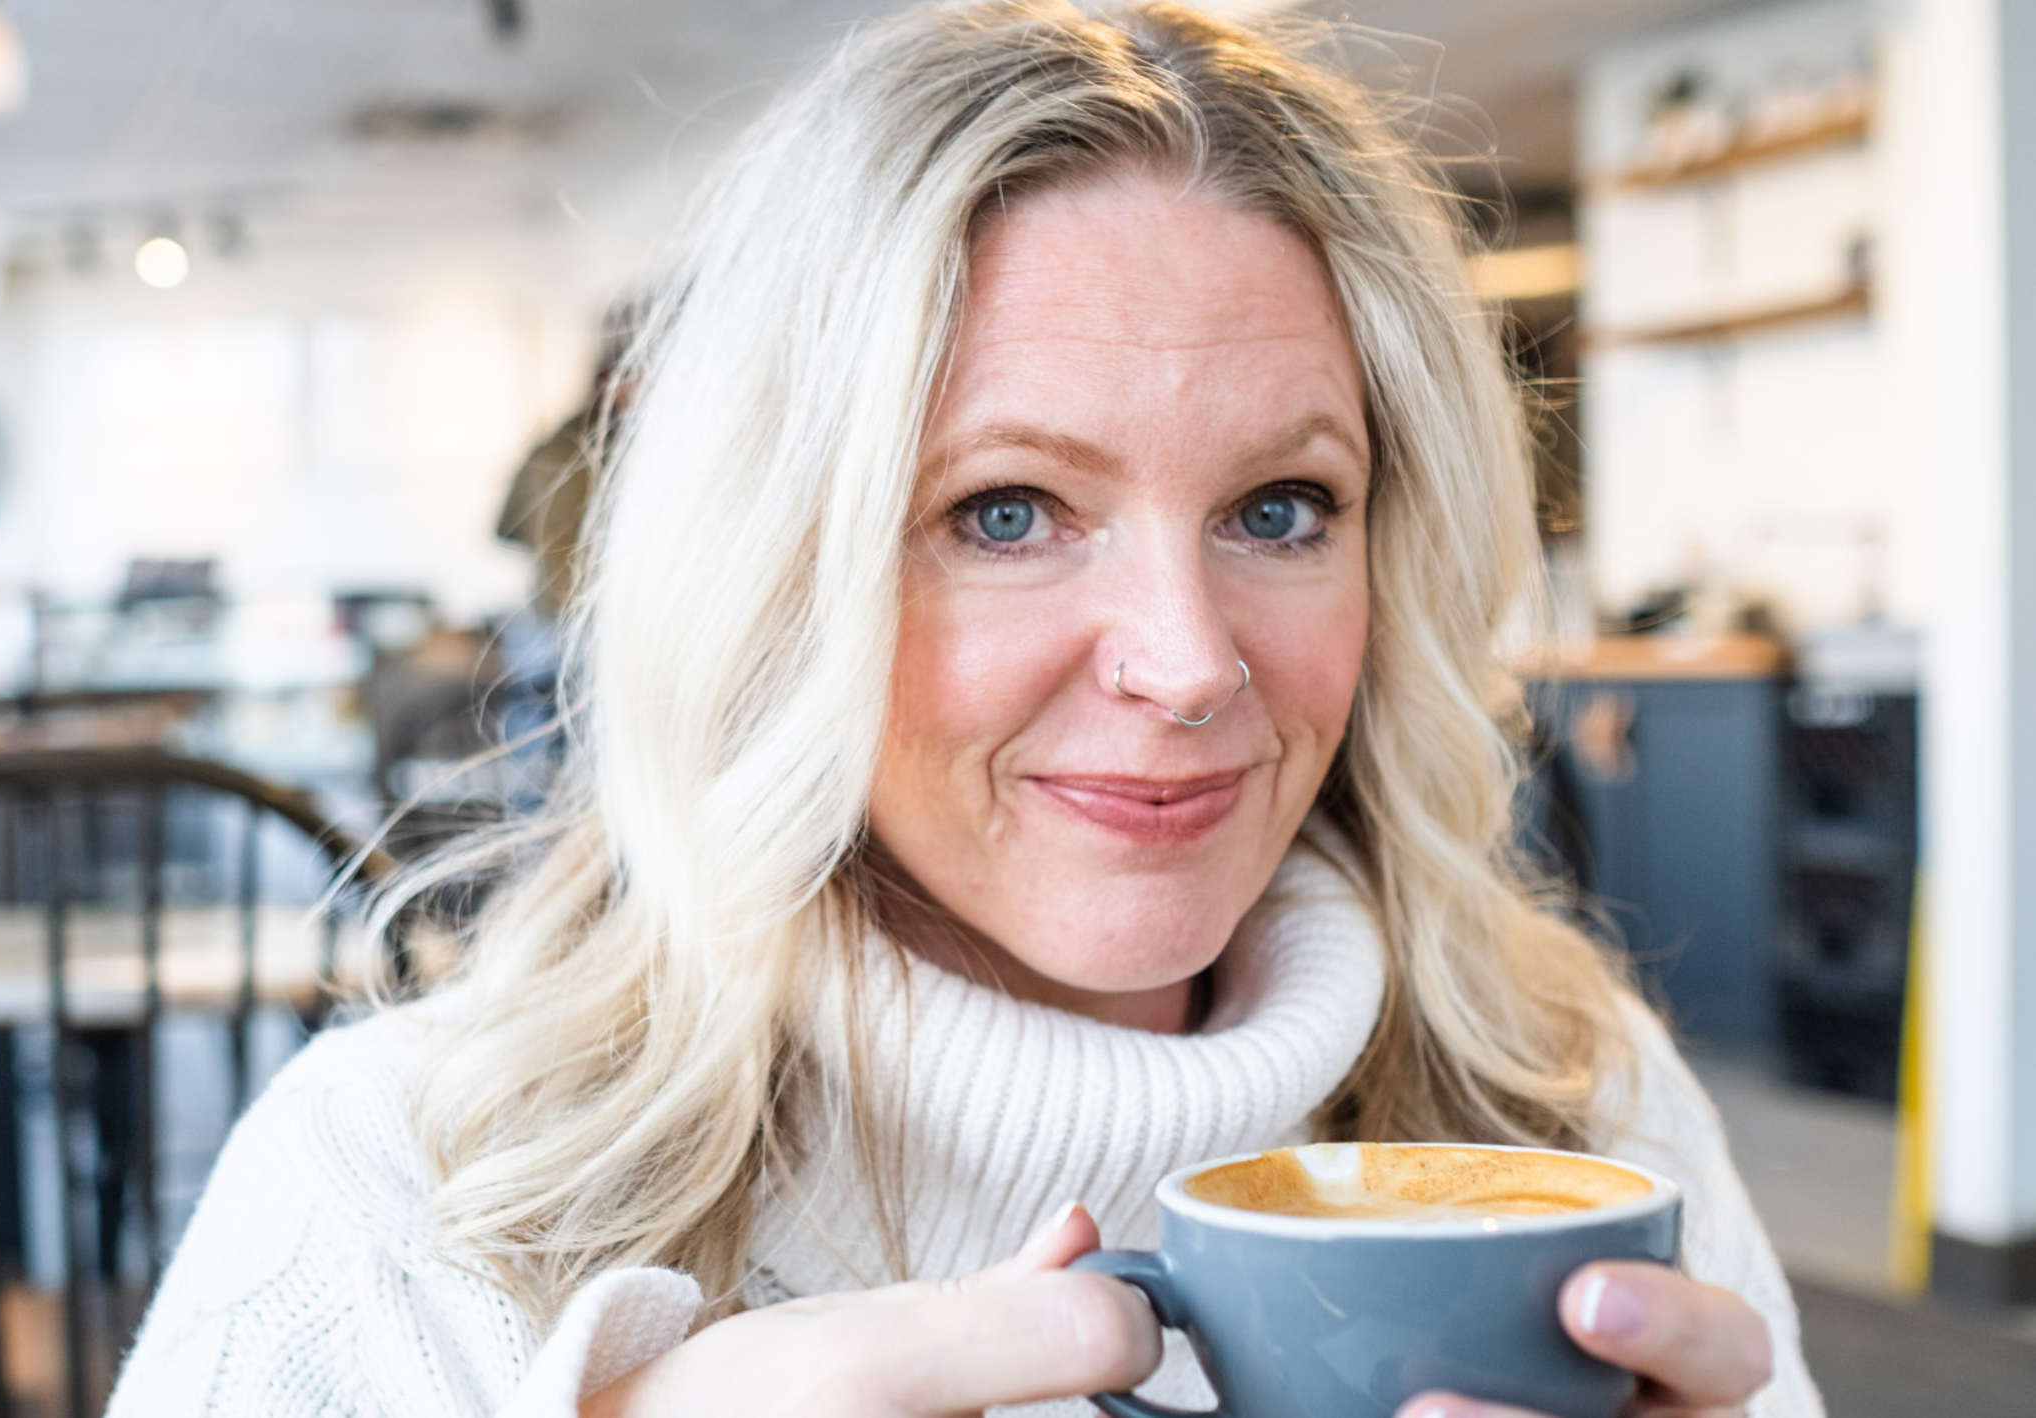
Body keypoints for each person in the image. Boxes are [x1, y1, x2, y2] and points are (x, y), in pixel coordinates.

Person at [108, 4, 1821, 1415]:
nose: (1189, 661)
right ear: (774, 575)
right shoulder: (404, 1197)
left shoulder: (1576, 1107)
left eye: (1279, 509)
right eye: (1004, 511)